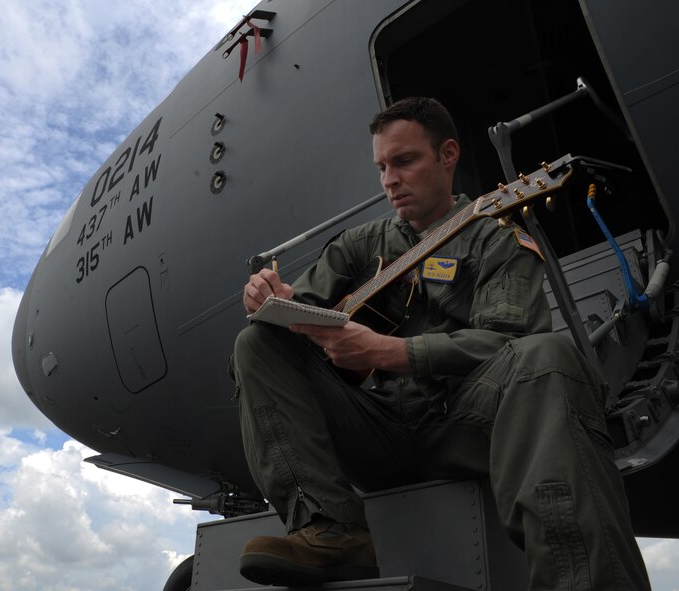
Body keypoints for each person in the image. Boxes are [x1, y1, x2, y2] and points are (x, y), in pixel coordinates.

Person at [229, 97, 651, 589]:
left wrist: (387, 352)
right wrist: (266, 297)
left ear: (448, 155)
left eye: (404, 161)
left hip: (462, 425)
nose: (389, 180)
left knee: (547, 356)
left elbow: (508, 342)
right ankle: (330, 529)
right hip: (376, 429)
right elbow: (290, 315)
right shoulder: (358, 245)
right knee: (256, 344)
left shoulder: (496, 240)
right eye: (382, 167)